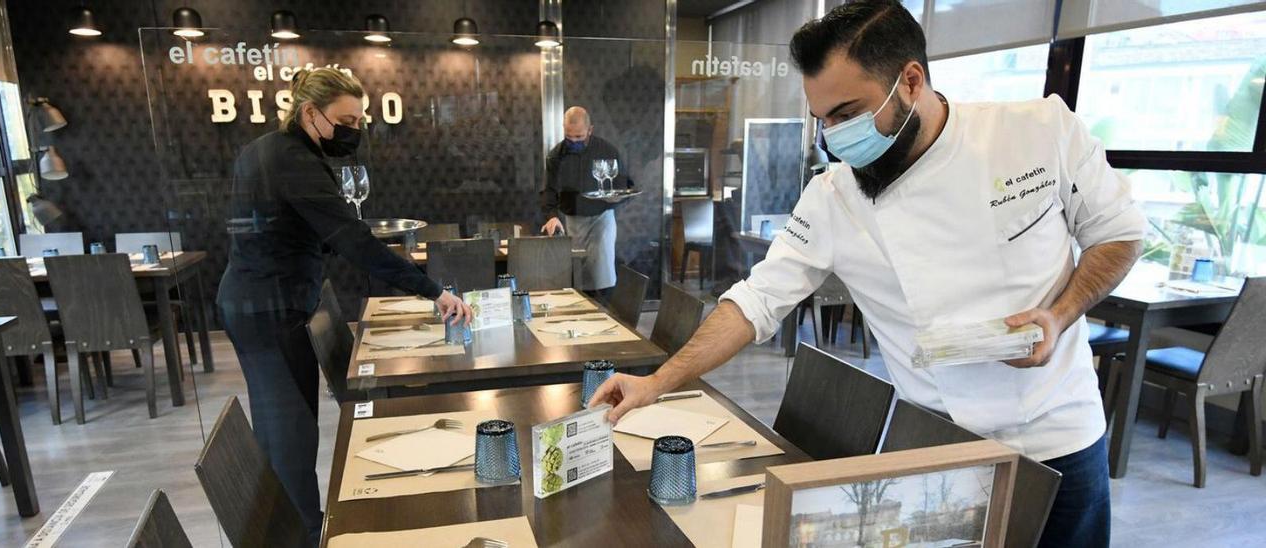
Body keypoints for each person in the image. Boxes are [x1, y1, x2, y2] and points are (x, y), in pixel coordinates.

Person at [590, 2, 1142, 547]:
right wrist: (657, 382)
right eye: (823, 119)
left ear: (910, 80)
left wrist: (1059, 314)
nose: (834, 135)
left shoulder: (1037, 132)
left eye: (848, 113)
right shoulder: (833, 197)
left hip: (1057, 434)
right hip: (933, 443)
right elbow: (756, 302)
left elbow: (1118, 233)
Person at [216, 67, 471, 544]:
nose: (354, 130)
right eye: (346, 119)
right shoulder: (293, 160)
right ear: (310, 113)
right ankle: (305, 536)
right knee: (291, 433)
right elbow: (351, 240)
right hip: (268, 310)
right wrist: (433, 291)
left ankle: (292, 529)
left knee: (283, 428)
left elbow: (288, 230)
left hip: (261, 302)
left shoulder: (268, 149)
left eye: (360, 120)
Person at [541, 106, 629, 300]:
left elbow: (623, 183)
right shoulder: (556, 155)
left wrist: (616, 198)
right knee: (576, 276)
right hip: (572, 220)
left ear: (590, 130)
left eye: (579, 137)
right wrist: (552, 216)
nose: (573, 142)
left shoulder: (607, 150)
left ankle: (605, 314)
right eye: (569, 137)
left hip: (602, 218)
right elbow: (549, 190)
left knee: (602, 277)